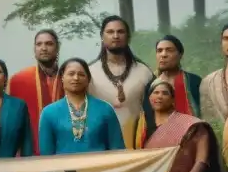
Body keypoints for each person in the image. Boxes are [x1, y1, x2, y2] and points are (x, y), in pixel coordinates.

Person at [87, 16, 154, 150]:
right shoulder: (89, 73)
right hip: (99, 146)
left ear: (128, 37)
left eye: (120, 32)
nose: (116, 36)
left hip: (137, 145)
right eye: (110, 32)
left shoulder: (144, 72)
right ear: (102, 36)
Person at [39, 59, 126, 156]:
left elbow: (118, 149)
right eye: (71, 74)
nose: (76, 78)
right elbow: (46, 156)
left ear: (88, 79)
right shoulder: (49, 113)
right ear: (62, 78)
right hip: (64, 170)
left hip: (100, 169)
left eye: (81, 74)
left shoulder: (105, 109)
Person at [136, 35, 203, 148]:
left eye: (169, 50)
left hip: (191, 142)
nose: (163, 54)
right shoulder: (150, 85)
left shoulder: (194, 82)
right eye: (159, 51)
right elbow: (147, 119)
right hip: (158, 146)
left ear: (180, 54)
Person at [9, 29, 64, 155]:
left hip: (65, 150)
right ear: (34, 49)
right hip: (30, 152)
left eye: (49, 44)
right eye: (39, 44)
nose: (43, 48)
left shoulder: (70, 77)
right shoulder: (19, 80)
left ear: (57, 48)